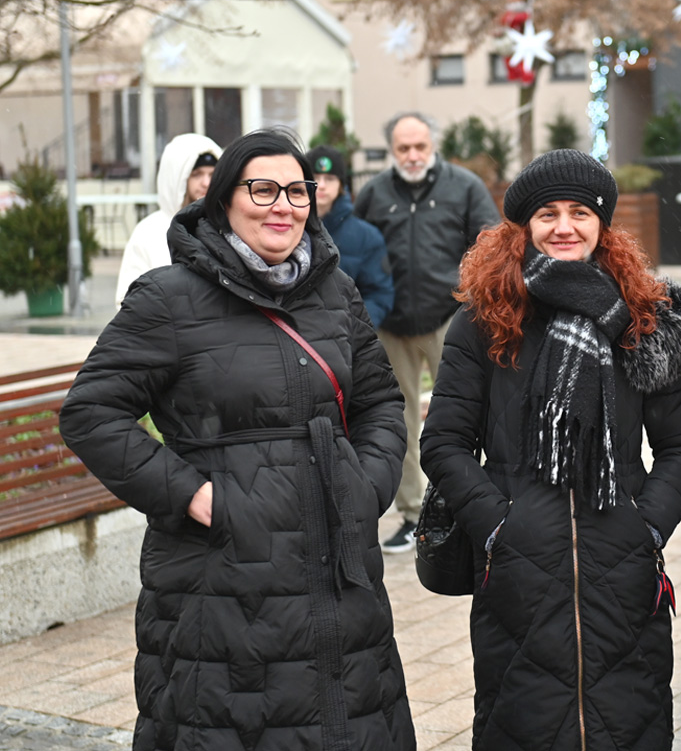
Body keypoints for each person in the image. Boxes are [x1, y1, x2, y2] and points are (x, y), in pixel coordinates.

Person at [60, 128, 416, 751]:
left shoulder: (335, 291)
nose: (284, 206)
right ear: (223, 199)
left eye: (297, 191)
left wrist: (368, 486)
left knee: (350, 720)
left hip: (340, 571)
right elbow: (91, 412)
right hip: (219, 577)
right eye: (263, 189)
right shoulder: (168, 296)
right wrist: (196, 496)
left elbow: (380, 401)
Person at [421, 149, 681, 750]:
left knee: (629, 725)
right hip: (517, 574)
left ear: (602, 224)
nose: (564, 227)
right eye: (547, 214)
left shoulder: (640, 321)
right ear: (524, 226)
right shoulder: (484, 319)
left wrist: (647, 526)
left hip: (623, 570)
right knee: (521, 725)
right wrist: (499, 529)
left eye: (580, 212)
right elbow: (444, 442)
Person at [355, 111, 501, 553]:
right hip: (390, 326)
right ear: (392, 150)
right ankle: (411, 514)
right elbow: (356, 247)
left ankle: (477, 508)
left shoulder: (465, 187)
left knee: (471, 415)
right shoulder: (374, 194)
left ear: (433, 144)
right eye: (404, 148)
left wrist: (473, 301)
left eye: (420, 146)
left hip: (451, 322)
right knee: (395, 423)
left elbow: (491, 247)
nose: (413, 155)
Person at [115, 133, 221, 304]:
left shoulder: (226, 226)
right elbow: (128, 301)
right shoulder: (149, 232)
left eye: (212, 174)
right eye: (197, 174)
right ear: (177, 178)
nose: (206, 183)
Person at [307, 144, 394, 327]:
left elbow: (378, 294)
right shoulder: (286, 227)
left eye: (330, 179)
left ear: (341, 184)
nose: (321, 185)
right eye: (315, 177)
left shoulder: (366, 236)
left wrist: (353, 330)